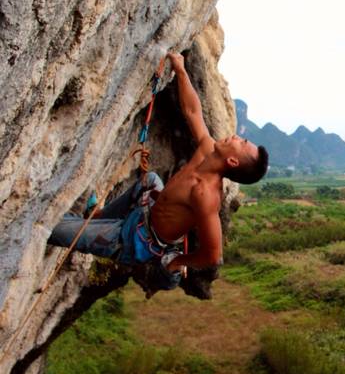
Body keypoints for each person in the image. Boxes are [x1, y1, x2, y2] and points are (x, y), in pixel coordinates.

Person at [48, 52, 268, 290]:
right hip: (147, 212)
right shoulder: (208, 149)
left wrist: (178, 262)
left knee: (56, 228)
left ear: (233, 162)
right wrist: (181, 71)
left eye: (242, 143)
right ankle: (99, 215)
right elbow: (193, 112)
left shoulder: (206, 196)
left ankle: (95, 226)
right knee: (150, 179)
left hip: (134, 240)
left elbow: (213, 255)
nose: (237, 137)